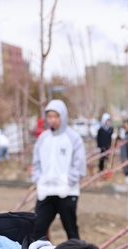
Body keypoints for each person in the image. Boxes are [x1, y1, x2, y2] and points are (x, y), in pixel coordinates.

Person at [32, 100, 86, 240]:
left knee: (71, 230)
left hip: (66, 191)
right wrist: (38, 179)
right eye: (49, 116)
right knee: (36, 231)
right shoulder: (43, 138)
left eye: (56, 116)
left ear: (63, 116)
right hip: (46, 192)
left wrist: (69, 181)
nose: (53, 120)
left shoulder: (73, 138)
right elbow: (36, 162)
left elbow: (79, 163)